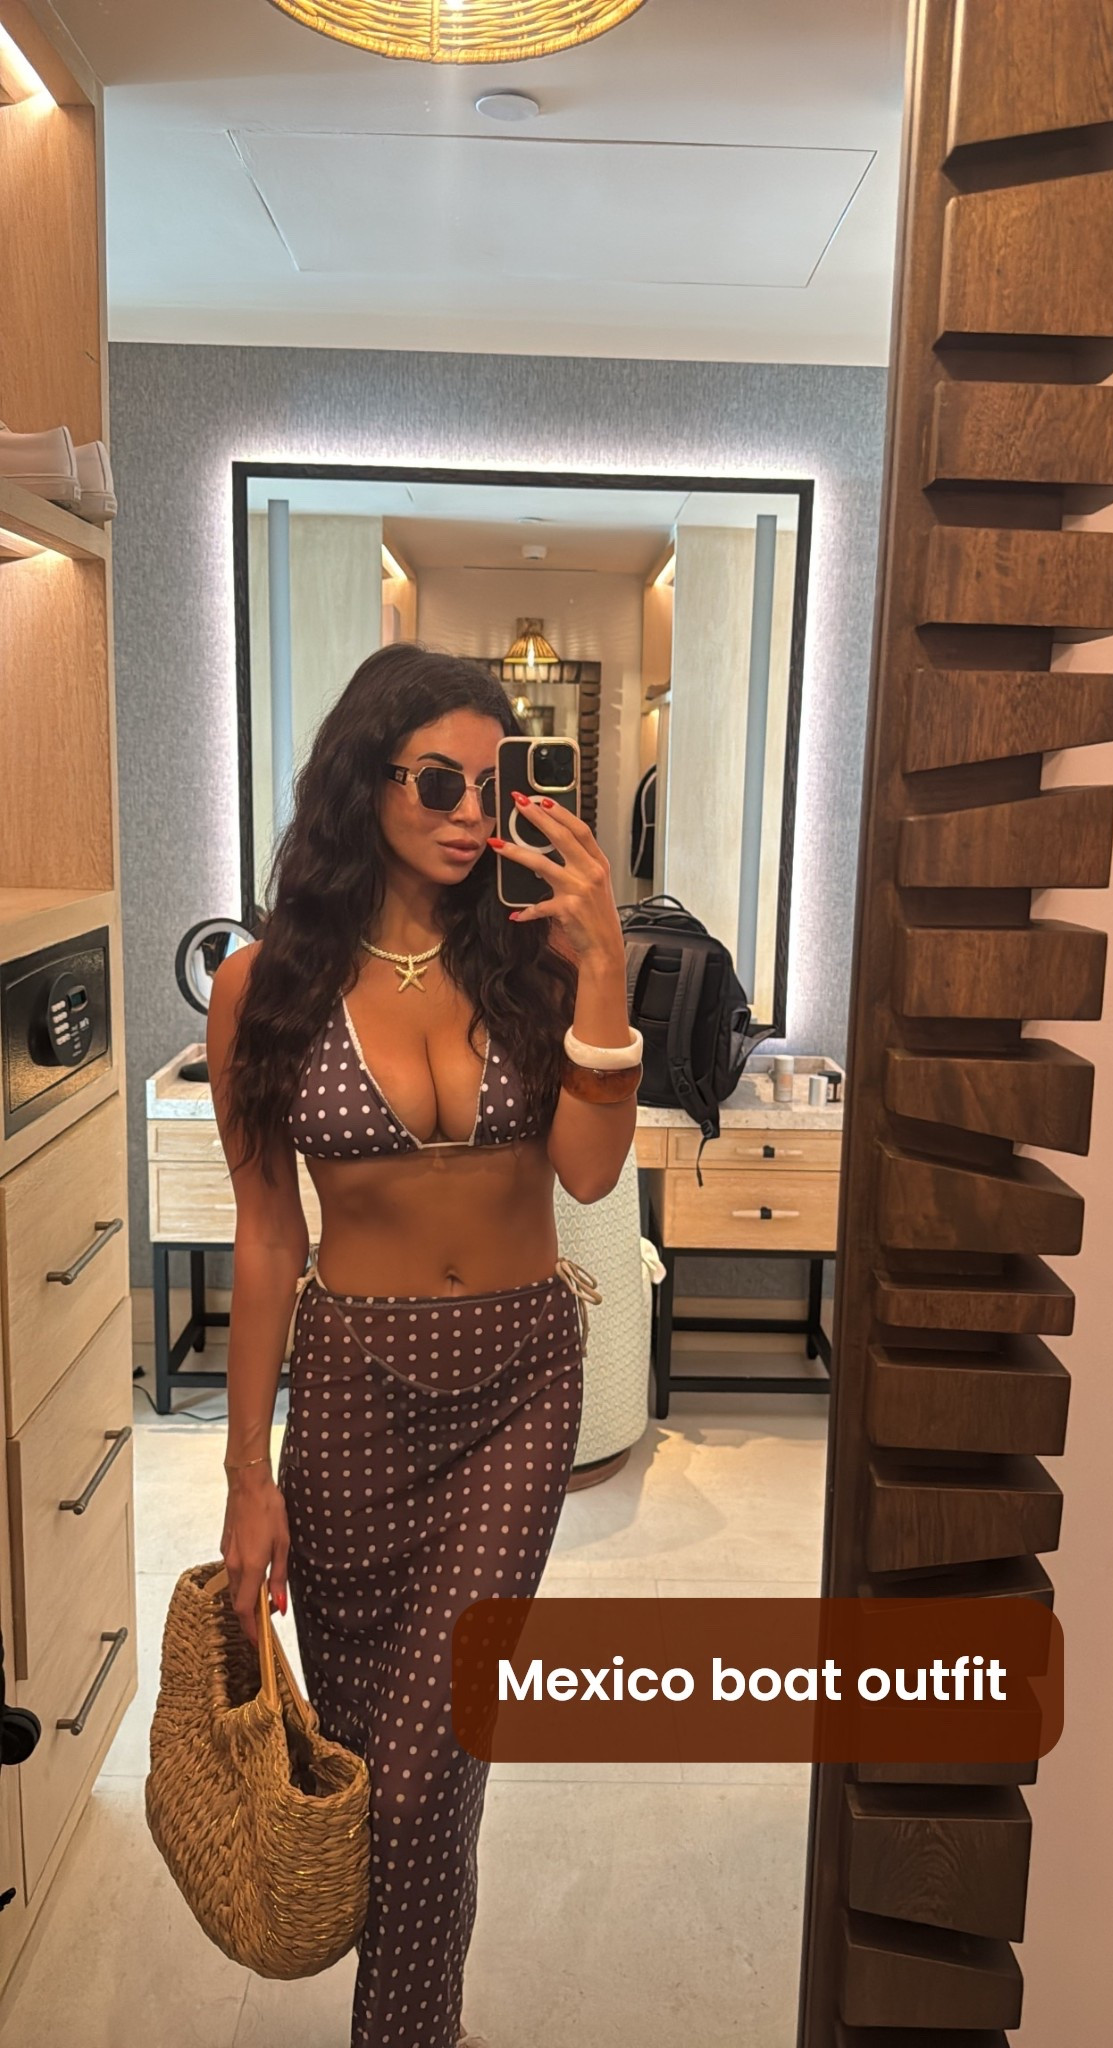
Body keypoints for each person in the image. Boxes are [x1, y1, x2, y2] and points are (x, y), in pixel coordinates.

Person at [205, 643, 640, 2048]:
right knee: (373, 1768)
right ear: (365, 781)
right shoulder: (265, 986)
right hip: (348, 1401)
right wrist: (247, 1477)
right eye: (437, 782)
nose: (468, 813)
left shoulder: (534, 960)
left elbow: (588, 1172)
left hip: (518, 1385)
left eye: (493, 786)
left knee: (423, 1768)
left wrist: (604, 965)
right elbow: (266, 1237)